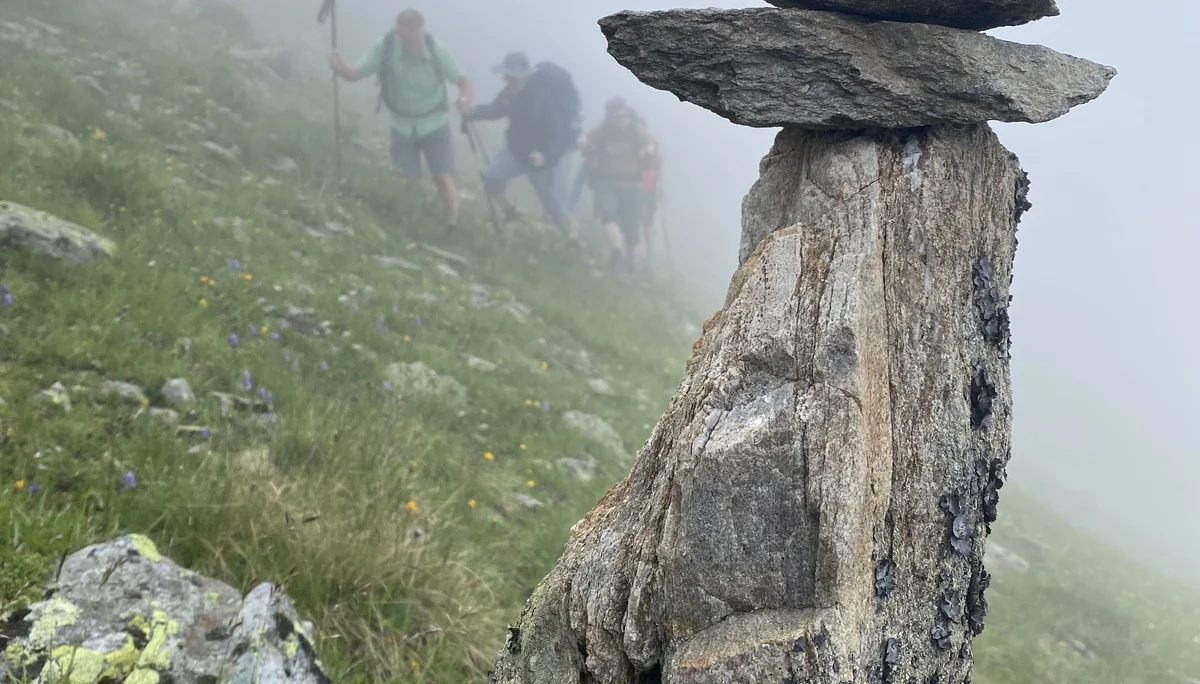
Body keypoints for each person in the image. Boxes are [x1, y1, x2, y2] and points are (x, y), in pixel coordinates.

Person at [328, 9, 472, 229]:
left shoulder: (436, 49)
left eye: (416, 39)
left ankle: (451, 226)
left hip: (434, 122)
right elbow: (355, 74)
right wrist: (339, 67)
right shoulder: (385, 47)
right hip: (402, 124)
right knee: (408, 180)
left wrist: (464, 99)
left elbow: (463, 81)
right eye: (406, 40)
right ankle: (412, 223)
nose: (413, 46)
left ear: (422, 32)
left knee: (443, 177)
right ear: (398, 33)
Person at [463, 51, 581, 234]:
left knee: (551, 204)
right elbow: (496, 109)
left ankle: (571, 235)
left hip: (541, 162)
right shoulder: (510, 92)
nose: (507, 80)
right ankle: (510, 213)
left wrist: (544, 156)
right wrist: (474, 112)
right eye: (507, 76)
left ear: (524, 75)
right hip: (516, 152)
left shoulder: (543, 97)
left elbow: (557, 135)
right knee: (491, 176)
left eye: (511, 77)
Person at [580, 98, 656, 273]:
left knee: (631, 228)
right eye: (616, 118)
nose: (619, 122)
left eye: (621, 117)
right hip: (608, 182)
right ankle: (617, 251)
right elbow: (586, 140)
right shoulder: (603, 131)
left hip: (632, 186)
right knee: (608, 214)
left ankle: (630, 265)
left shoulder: (638, 133)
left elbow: (650, 151)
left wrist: (651, 179)